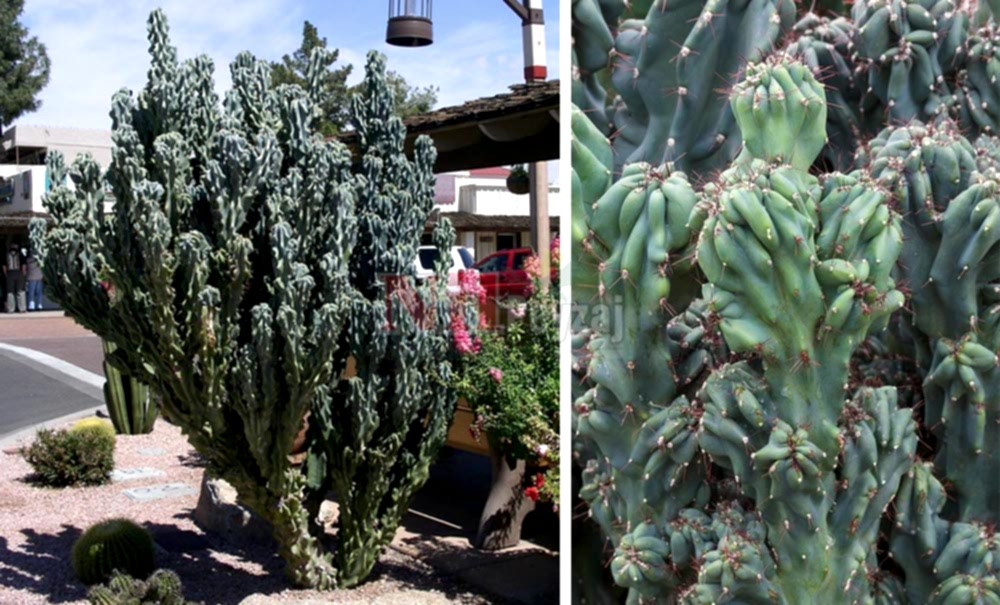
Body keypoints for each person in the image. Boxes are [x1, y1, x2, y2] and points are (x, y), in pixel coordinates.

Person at [3, 243, 26, 313]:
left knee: (10, 291)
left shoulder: (6, 255)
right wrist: (24, 274)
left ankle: (11, 308)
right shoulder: (20, 254)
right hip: (19, 272)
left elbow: (4, 266)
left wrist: (6, 274)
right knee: (20, 290)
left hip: (10, 272)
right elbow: (23, 265)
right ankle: (22, 308)